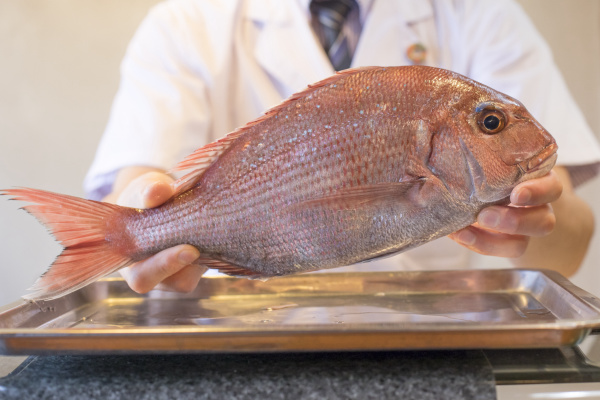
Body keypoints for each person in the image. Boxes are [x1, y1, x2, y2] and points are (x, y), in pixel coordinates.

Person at [85, 0, 600, 294]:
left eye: (489, 122)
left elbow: (573, 241)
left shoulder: (478, 12)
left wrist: (536, 220)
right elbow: (140, 174)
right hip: (242, 337)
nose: (494, 127)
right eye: (490, 123)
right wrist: (138, 220)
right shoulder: (186, 21)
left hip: (431, 343)